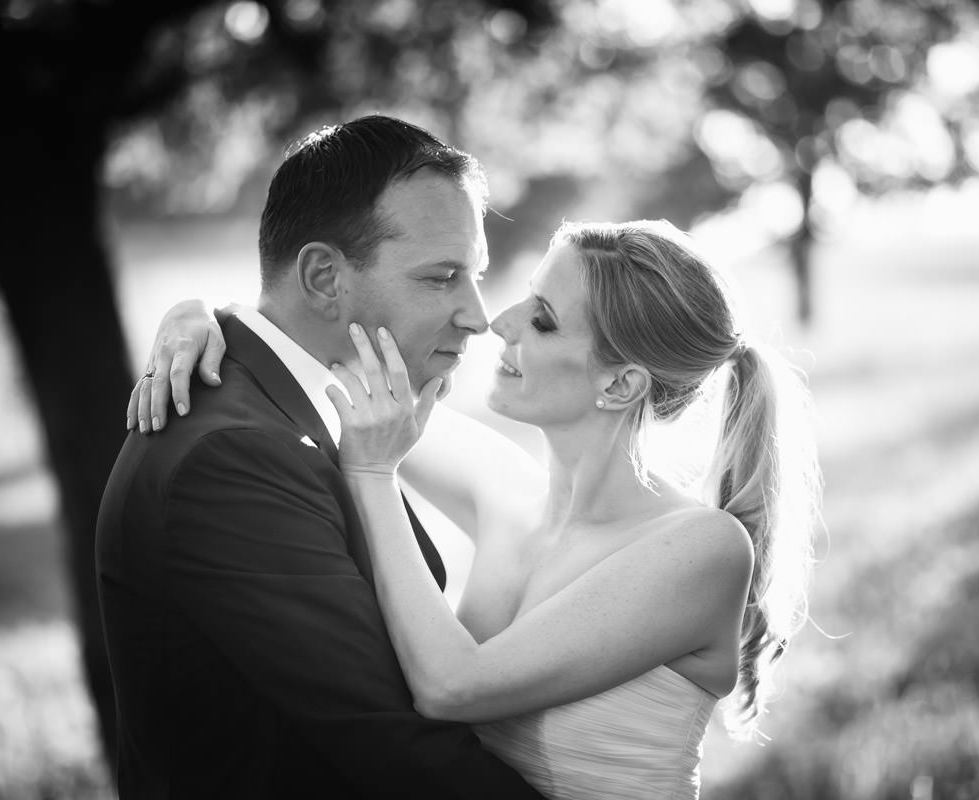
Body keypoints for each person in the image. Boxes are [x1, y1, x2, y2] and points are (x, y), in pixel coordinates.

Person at [133, 217, 822, 799]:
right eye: (526, 297)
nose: (499, 322)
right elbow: (321, 370)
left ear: (620, 383)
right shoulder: (508, 489)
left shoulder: (700, 548)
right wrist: (205, 314)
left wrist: (373, 473)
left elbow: (452, 689)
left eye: (543, 321)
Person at [96, 115, 546, 799]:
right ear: (323, 276)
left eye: (475, 274)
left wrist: (209, 310)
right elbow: (395, 751)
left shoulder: (335, 410)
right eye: (442, 277)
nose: (479, 315)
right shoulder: (233, 459)